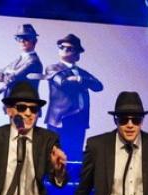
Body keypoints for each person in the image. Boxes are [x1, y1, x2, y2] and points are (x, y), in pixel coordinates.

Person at [42, 33, 103, 162]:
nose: (64, 50)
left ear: (77, 54)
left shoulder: (81, 72)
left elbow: (98, 86)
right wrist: (82, 82)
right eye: (61, 47)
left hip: (79, 120)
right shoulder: (53, 68)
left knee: (75, 156)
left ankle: (74, 175)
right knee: (57, 157)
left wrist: (78, 79)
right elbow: (63, 84)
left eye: (69, 48)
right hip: (60, 119)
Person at [0, 24, 43, 95]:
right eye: (19, 38)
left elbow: (12, 78)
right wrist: (4, 74)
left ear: (34, 41)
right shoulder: (18, 60)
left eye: (26, 38)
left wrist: (6, 75)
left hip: (24, 100)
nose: (22, 41)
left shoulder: (33, 62)